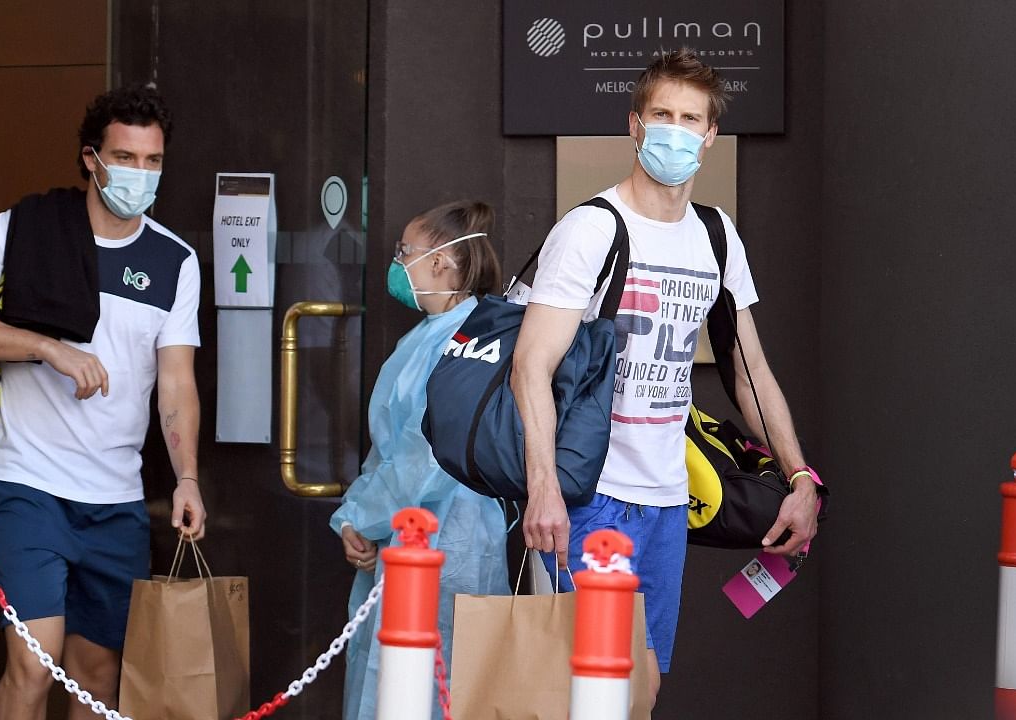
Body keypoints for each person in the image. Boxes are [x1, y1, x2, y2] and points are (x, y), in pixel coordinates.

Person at [512, 49, 821, 710]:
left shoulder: (716, 237)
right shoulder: (593, 230)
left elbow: (751, 371)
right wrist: (544, 490)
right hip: (590, 499)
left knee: (640, 693)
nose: (675, 131)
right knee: (604, 692)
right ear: (635, 125)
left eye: (691, 119)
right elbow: (530, 365)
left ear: (710, 136)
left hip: (667, 502)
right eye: (662, 115)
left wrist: (800, 477)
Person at [0, 84, 205, 720]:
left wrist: (187, 477)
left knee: (97, 673)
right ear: (91, 158)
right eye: (125, 157)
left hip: (116, 496)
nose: (140, 173)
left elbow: (177, 382)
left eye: (152, 161)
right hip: (28, 482)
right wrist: (45, 347)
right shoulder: (24, 227)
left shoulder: (174, 261)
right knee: (33, 661)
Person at [331, 200, 510, 720]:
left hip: (446, 538)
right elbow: (391, 447)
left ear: (441, 263)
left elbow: (428, 453)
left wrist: (360, 517)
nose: (397, 263)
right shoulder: (431, 336)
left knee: (431, 684)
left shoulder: (468, 340)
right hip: (408, 530)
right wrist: (357, 519)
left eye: (404, 252)